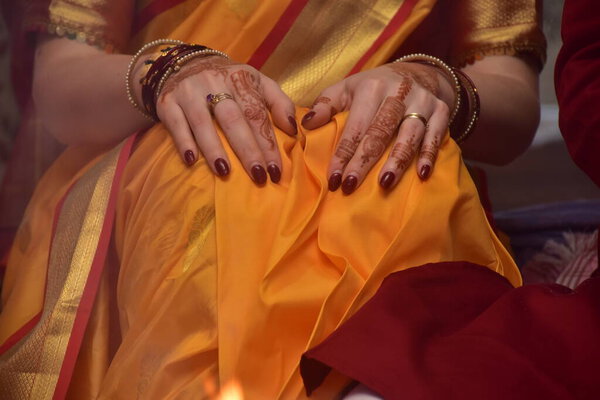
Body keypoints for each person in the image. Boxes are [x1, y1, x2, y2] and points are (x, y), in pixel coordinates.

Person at [0, 0, 547, 399]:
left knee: (398, 186)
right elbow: (61, 83)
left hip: (382, 164)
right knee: (212, 186)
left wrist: (433, 84)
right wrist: (168, 74)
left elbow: (509, 94)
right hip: (174, 148)